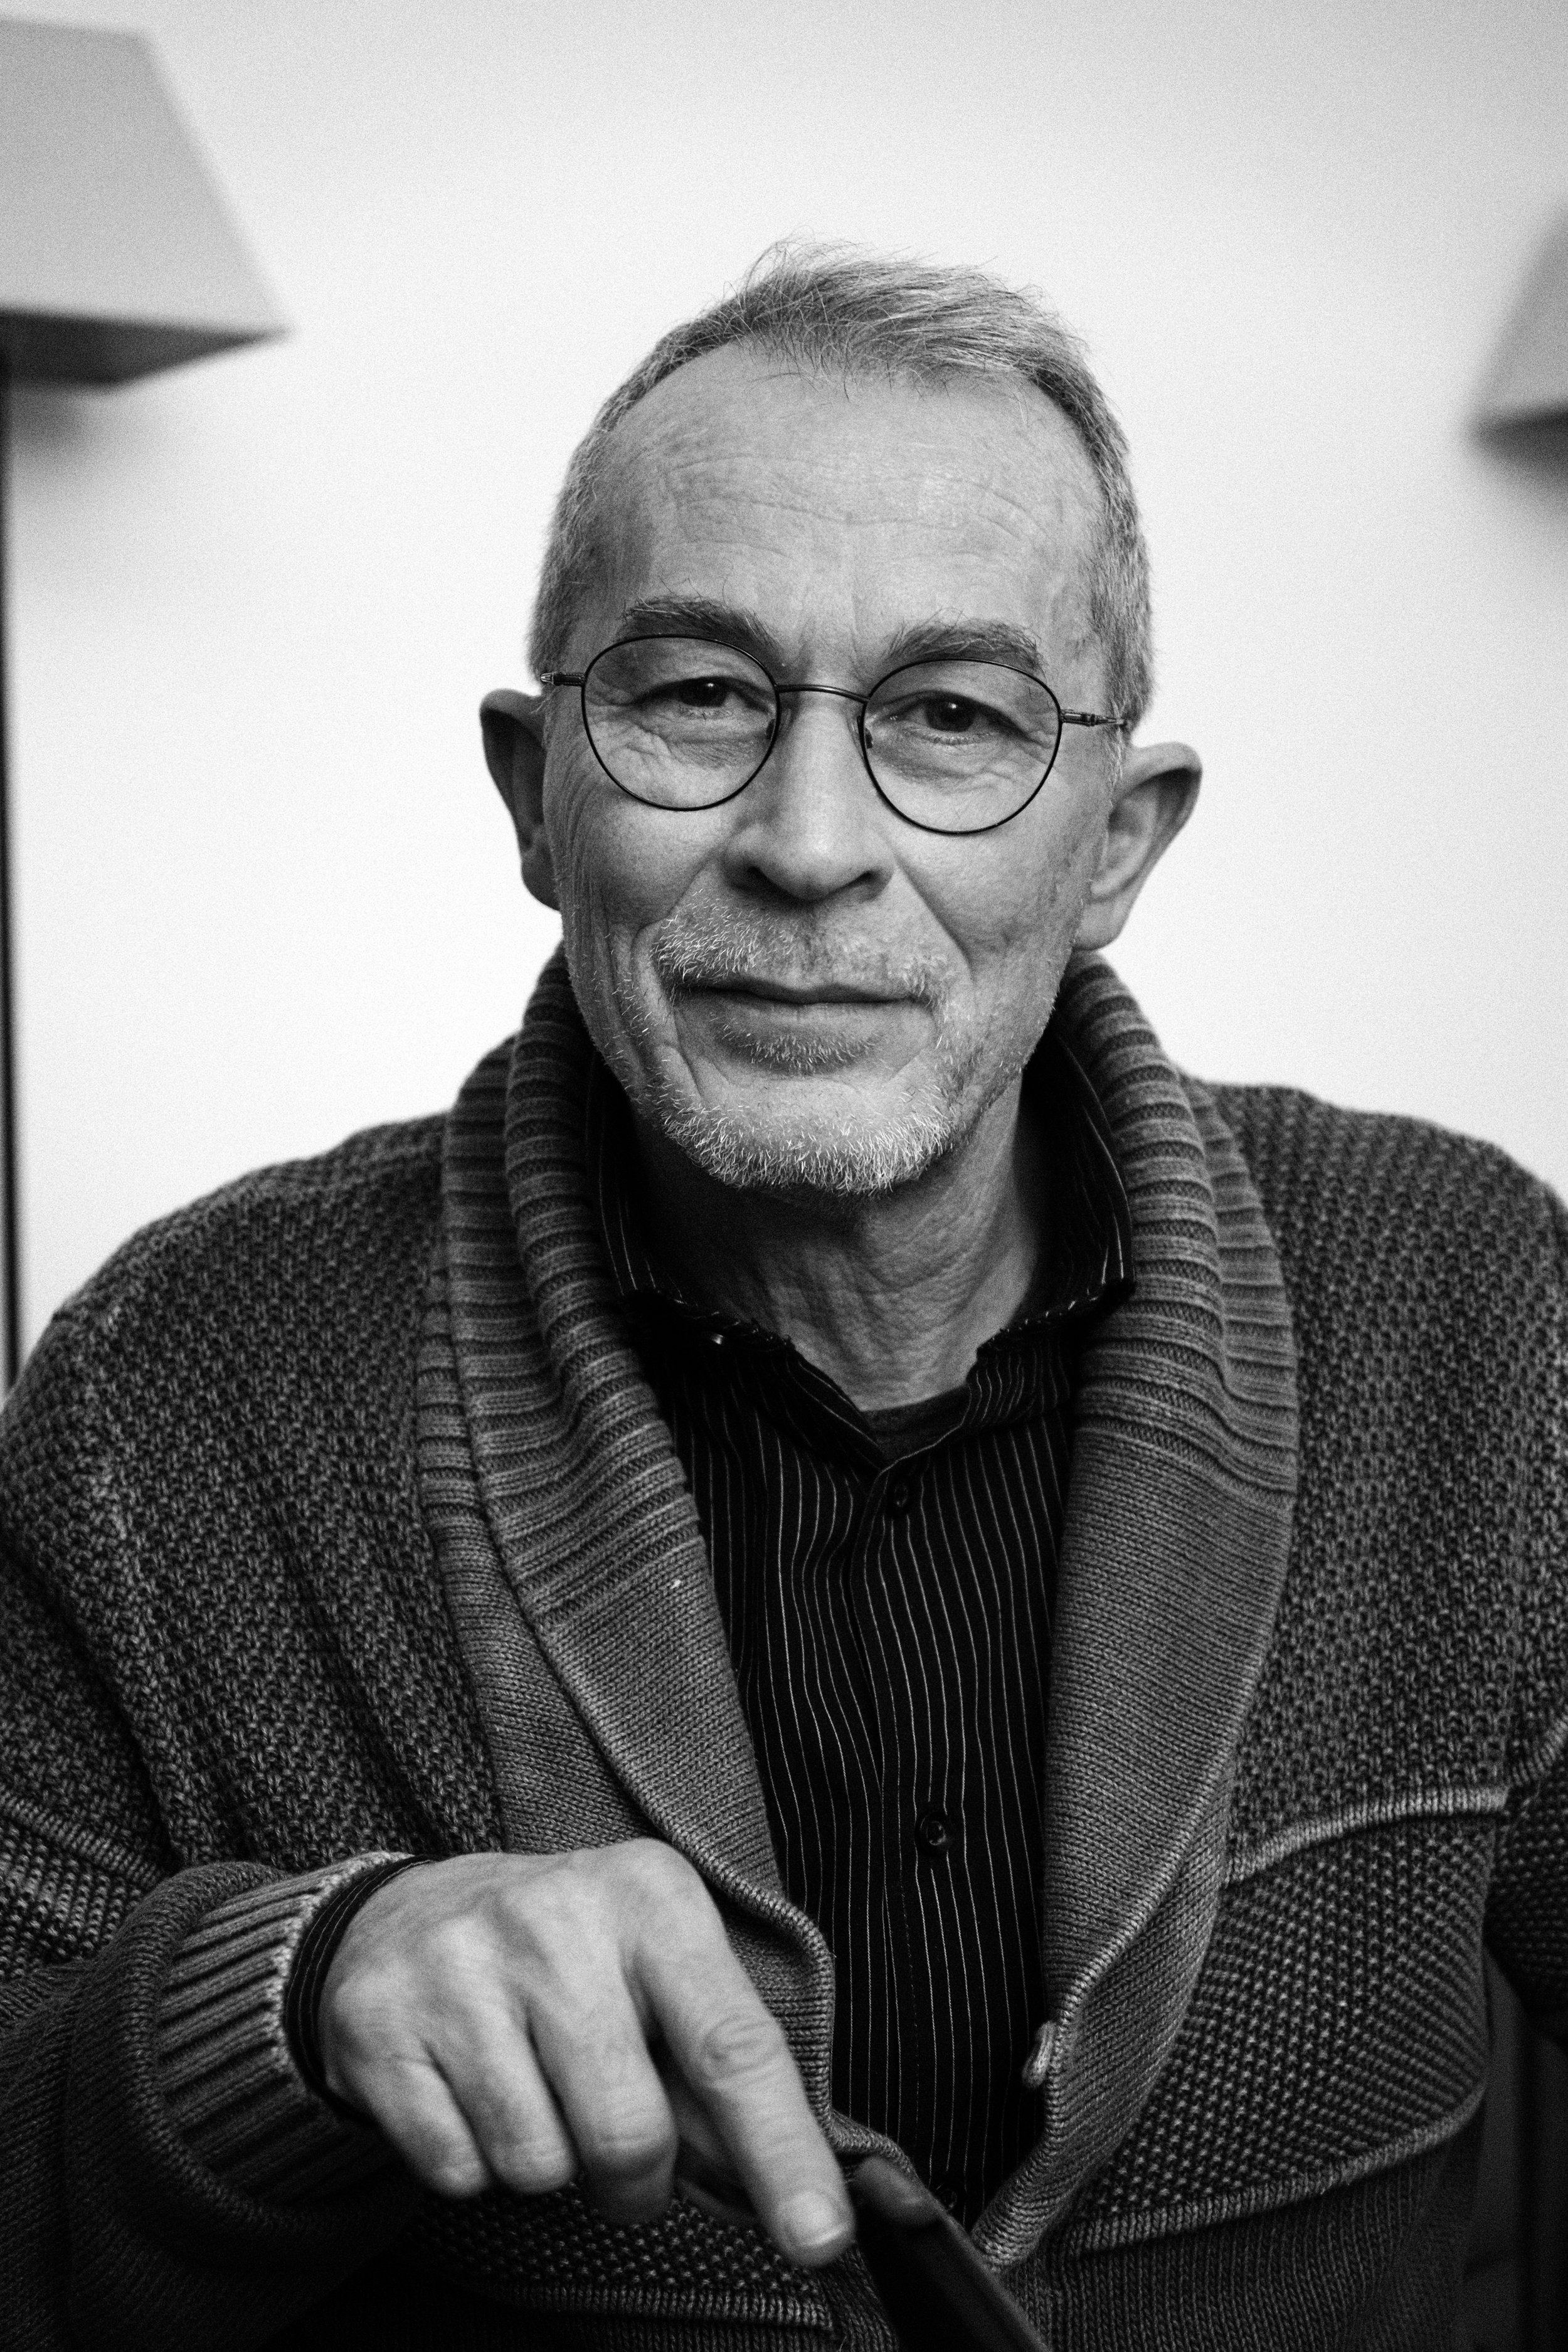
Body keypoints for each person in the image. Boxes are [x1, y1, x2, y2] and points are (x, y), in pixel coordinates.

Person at [1, 241, 1564, 2352]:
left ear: (1116, 841)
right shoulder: (162, 1396)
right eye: (697, 695)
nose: (809, 842)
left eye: (951, 716)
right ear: (533, 796)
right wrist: (283, 2001)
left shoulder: (1476, 1307)